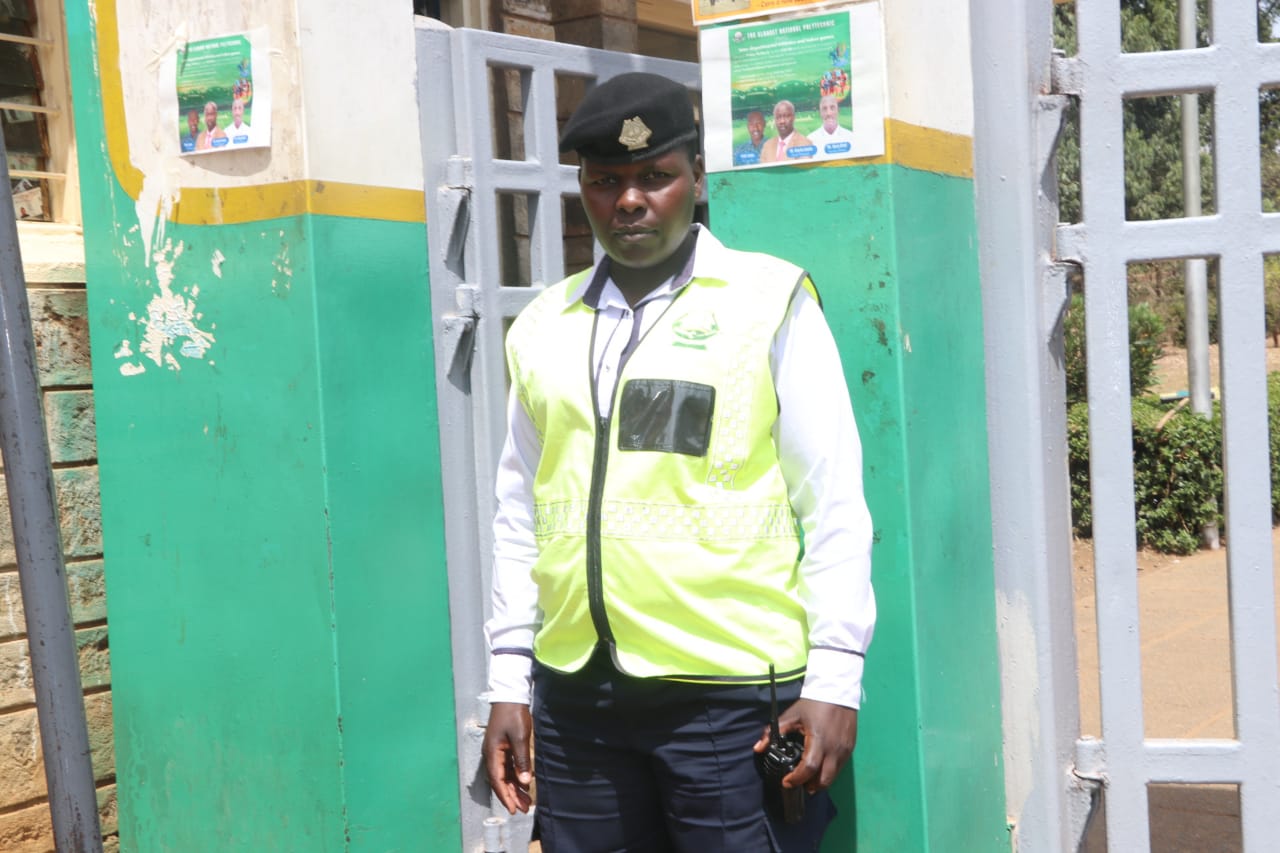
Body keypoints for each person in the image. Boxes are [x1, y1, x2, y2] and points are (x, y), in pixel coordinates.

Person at [481, 71, 875, 852]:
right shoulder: (541, 327)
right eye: (605, 182)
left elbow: (830, 498)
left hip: (727, 702)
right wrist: (507, 678)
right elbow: (520, 508)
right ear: (584, 191)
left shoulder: (768, 301)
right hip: (578, 701)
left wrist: (835, 675)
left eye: (655, 177)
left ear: (696, 180)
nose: (630, 200)